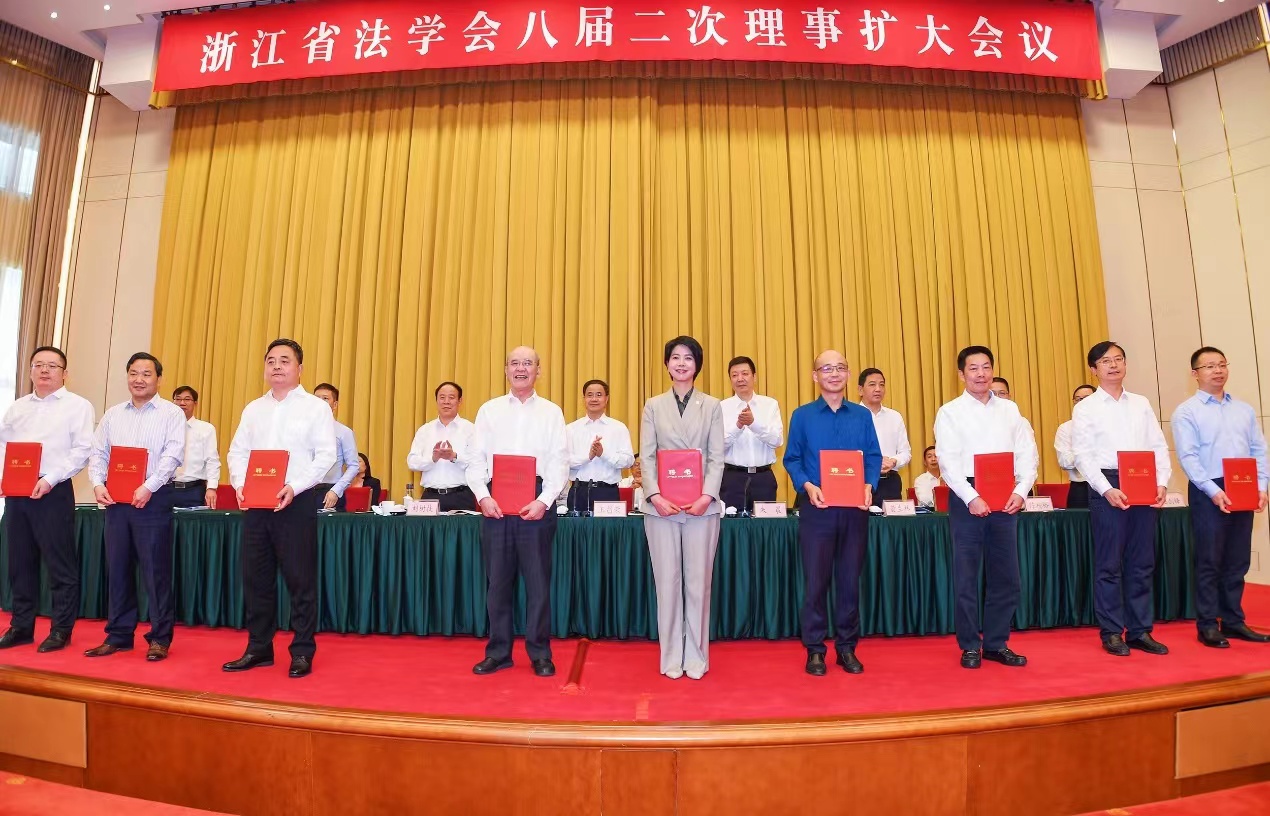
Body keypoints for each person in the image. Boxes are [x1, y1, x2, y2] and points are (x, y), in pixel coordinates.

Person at [223, 339, 336, 679]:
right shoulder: (253, 409)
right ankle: (259, 647)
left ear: (299, 368)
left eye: (284, 360)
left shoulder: (315, 408)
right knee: (255, 579)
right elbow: (237, 451)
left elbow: (326, 456)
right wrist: (240, 484)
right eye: (271, 360)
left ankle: (301, 650)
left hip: (295, 502)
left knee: (300, 580)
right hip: (256, 504)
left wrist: (295, 486)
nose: (276, 366)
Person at [465, 347, 569, 677]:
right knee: (497, 584)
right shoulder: (489, 410)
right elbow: (475, 459)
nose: (520, 368)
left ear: (539, 370)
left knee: (538, 584)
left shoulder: (551, 412)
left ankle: (540, 653)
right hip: (496, 503)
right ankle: (498, 652)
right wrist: (483, 496)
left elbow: (560, 461)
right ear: (506, 370)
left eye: (527, 363)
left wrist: (544, 500)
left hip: (536, 502)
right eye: (514, 363)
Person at [935, 346, 1038, 670]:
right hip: (967, 496)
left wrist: (1021, 491)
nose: (981, 374)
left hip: (1005, 497)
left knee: (1007, 576)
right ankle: (969, 645)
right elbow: (948, 462)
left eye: (986, 367)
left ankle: (996, 643)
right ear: (961, 374)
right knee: (967, 577)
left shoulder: (1010, 409)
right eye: (973, 368)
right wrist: (971, 497)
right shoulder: (950, 412)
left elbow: (1027, 454)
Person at [84, 353, 186, 661]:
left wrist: (148, 486)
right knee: (118, 569)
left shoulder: (171, 414)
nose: (139, 379)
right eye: (133, 373)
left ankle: (160, 638)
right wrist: (98, 484)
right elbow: (98, 453)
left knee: (155, 572)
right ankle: (119, 635)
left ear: (158, 379)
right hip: (117, 501)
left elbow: (173, 455)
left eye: (146, 374)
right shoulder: (113, 414)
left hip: (153, 499)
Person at [784, 350, 881, 676]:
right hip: (818, 509)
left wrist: (868, 484)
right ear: (816, 376)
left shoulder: (862, 416)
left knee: (850, 581)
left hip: (855, 510)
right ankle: (814, 649)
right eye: (827, 368)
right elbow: (792, 459)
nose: (834, 373)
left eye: (840, 367)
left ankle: (846, 647)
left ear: (848, 374)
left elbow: (873, 456)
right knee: (816, 581)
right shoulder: (802, 416)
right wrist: (807, 485)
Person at [1073, 342, 1170, 657]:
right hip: (1108, 483)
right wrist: (1105, 489)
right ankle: (1112, 631)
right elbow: (1083, 455)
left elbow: (1158, 445)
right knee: (1109, 563)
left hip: (1143, 480)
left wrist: (1162, 482)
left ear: (1125, 364)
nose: (1113, 365)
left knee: (1142, 561)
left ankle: (1140, 631)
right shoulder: (1086, 408)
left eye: (1118, 359)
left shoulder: (1141, 403)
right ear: (1094, 369)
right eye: (1105, 361)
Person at [1171, 346, 1270, 648]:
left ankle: (1233, 621)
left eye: (1222, 364)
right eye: (1209, 366)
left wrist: (1261, 486)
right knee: (1209, 559)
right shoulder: (1187, 411)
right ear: (1195, 373)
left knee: (1237, 559)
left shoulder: (1243, 409)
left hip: (1244, 485)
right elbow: (1188, 457)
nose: (1218, 370)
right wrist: (1214, 491)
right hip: (1208, 489)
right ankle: (1207, 625)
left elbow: (1258, 450)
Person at [641, 336, 725, 679]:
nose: (681, 363)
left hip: (701, 507)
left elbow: (717, 457)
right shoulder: (653, 405)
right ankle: (671, 656)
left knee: (698, 583)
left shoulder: (712, 406)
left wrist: (706, 496)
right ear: (666, 364)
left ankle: (696, 656)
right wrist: (654, 495)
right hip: (661, 507)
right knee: (667, 582)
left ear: (697, 365)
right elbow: (646, 456)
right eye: (675, 357)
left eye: (688, 358)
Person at [0, 346, 94, 653]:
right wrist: (3, 477)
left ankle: (61, 629)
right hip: (17, 493)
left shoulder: (77, 406)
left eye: (52, 366)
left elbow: (82, 450)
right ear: (30, 371)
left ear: (64, 374)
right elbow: (3, 446)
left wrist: (49, 478)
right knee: (19, 562)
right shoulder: (18, 407)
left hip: (53, 490)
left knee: (59, 564)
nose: (44, 370)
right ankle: (21, 627)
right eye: (38, 364)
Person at [719, 356, 782, 513]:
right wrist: (738, 426)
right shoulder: (721, 407)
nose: (740, 379)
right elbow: (717, 445)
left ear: (754, 376)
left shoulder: (770, 405)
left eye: (745, 373)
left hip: (763, 478)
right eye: (734, 375)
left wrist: (753, 424)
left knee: (766, 525)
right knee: (731, 525)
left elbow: (777, 440)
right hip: (732, 479)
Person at [406, 381, 478, 512]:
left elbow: (477, 462)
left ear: (460, 401)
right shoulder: (424, 430)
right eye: (442, 397)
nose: (446, 402)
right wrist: (432, 459)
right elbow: (412, 462)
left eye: (451, 397)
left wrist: (454, 457)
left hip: (461, 496)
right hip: (430, 497)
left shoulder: (470, 429)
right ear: (436, 401)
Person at [565, 379, 635, 513]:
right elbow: (564, 461)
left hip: (608, 492)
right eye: (589, 395)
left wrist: (604, 454)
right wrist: (588, 457)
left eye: (599, 395)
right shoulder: (571, 429)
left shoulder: (618, 428)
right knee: (577, 528)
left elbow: (628, 461)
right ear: (584, 399)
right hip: (578, 492)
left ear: (606, 399)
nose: (594, 399)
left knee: (607, 528)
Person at [858, 368, 911, 503]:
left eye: (881, 385)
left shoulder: (895, 416)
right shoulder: (851, 417)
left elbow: (906, 453)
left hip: (890, 482)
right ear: (860, 390)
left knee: (892, 517)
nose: (878, 389)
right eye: (872, 384)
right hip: (860, 481)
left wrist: (893, 461)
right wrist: (872, 462)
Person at [171, 386, 220, 509]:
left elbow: (212, 460)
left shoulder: (206, 429)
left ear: (195, 403)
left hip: (193, 490)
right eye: (178, 399)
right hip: (166, 489)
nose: (182, 403)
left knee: (191, 522)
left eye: (187, 399)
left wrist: (211, 488)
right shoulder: (165, 428)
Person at [313, 383, 358, 511]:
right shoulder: (303, 431)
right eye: (316, 398)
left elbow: (353, 466)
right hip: (305, 491)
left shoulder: (343, 432)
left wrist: (336, 490)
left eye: (325, 398)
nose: (320, 403)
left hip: (330, 491)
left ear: (335, 404)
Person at [1054, 385, 1096, 509]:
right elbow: (1065, 462)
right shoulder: (1066, 428)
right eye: (1078, 399)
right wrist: (1089, 451)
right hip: (1080, 487)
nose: (1081, 402)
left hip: (1110, 483)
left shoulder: (1108, 425)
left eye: (1086, 398)